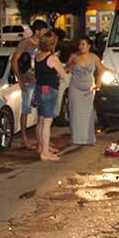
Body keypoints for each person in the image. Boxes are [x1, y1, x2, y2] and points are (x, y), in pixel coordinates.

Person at [11, 20, 48, 150]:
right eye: (43, 31)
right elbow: (14, 60)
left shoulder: (44, 44)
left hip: (41, 82)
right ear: (37, 31)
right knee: (26, 109)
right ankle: (23, 139)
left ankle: (40, 140)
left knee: (41, 111)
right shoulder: (25, 43)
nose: (45, 34)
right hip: (28, 82)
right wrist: (20, 80)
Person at [65, 36, 106, 145]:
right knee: (75, 112)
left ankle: (88, 138)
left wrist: (98, 83)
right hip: (75, 87)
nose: (81, 47)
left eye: (83, 44)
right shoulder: (74, 56)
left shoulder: (94, 57)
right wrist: (72, 63)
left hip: (88, 89)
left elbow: (101, 70)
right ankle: (75, 138)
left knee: (87, 113)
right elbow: (66, 69)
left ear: (89, 46)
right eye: (79, 44)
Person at [34, 31, 66, 161]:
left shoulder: (38, 56)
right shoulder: (52, 59)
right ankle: (45, 153)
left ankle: (42, 147)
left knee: (41, 120)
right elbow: (62, 75)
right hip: (50, 90)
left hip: (39, 89)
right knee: (47, 122)